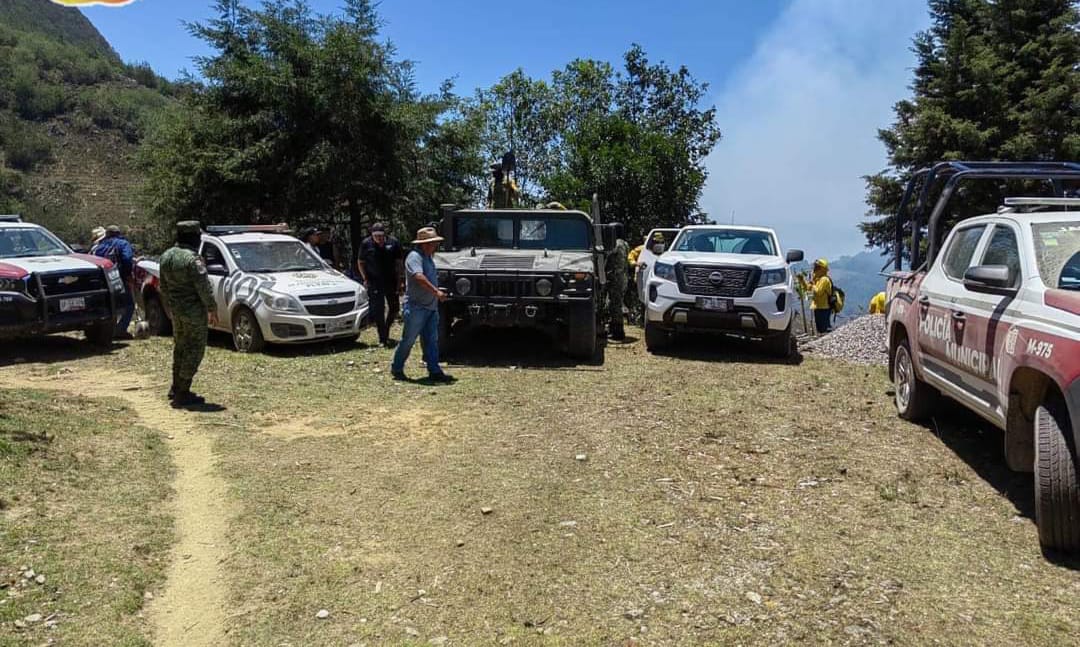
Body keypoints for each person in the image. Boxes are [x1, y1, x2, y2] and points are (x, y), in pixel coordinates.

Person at [159, 221, 218, 407]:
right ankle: (182, 392)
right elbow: (203, 288)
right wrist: (212, 308)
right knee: (195, 349)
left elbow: (164, 286)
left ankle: (175, 387)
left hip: (176, 311)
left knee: (180, 348)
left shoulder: (166, 256)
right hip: (193, 312)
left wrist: (169, 306)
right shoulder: (193, 259)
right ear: (193, 237)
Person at [390, 227, 454, 383]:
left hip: (430, 307)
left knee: (432, 341)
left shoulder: (429, 258)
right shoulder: (414, 257)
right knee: (409, 340)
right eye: (432, 243)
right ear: (424, 244)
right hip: (416, 307)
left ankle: (434, 371)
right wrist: (436, 292)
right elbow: (419, 277)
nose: (435, 246)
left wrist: (438, 291)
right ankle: (397, 368)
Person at [357, 222, 404, 347]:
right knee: (379, 310)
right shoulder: (366, 244)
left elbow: (399, 263)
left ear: (385, 234)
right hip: (374, 281)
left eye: (381, 235)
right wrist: (365, 278)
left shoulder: (393, 243)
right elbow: (361, 262)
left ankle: (386, 329)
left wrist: (400, 280)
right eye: (376, 235)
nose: (379, 238)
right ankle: (382, 337)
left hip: (391, 280)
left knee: (394, 308)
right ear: (372, 234)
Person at [93, 225, 136, 338]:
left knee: (110, 305)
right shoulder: (123, 244)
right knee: (129, 305)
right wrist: (127, 274)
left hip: (104, 281)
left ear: (107, 234)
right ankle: (120, 330)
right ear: (119, 233)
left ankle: (108, 330)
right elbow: (127, 259)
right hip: (119, 279)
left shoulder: (100, 246)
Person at [798, 258, 834, 334]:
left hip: (824, 308)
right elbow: (808, 288)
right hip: (818, 307)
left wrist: (813, 284)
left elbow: (818, 292)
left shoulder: (824, 280)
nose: (815, 269)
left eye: (817, 267)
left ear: (822, 269)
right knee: (820, 329)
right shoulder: (818, 279)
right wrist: (802, 280)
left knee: (824, 329)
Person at [606, 223, 629, 341]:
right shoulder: (625, 243)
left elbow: (608, 256)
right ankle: (614, 328)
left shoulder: (616, 244)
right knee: (616, 303)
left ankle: (618, 331)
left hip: (616, 277)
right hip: (622, 277)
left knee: (615, 304)